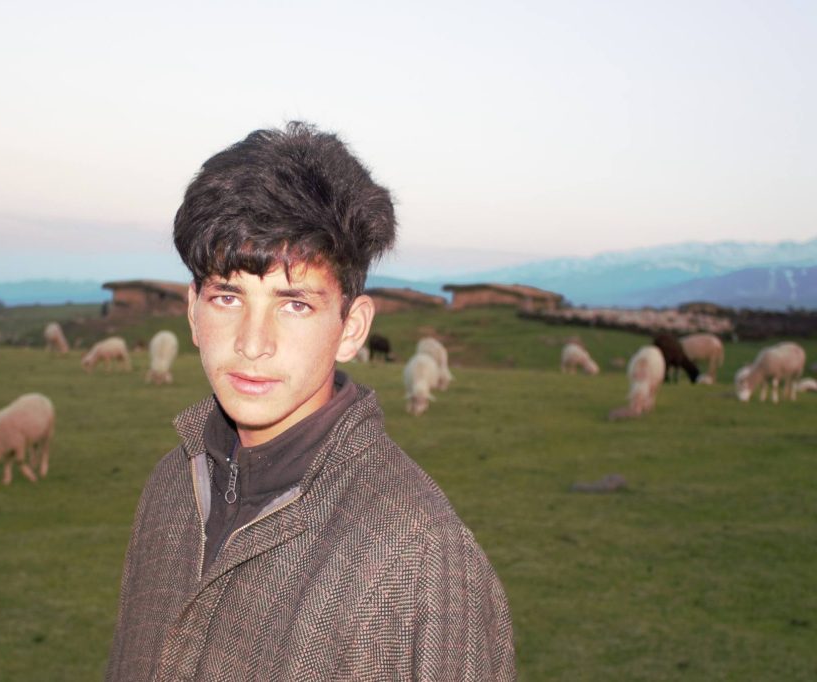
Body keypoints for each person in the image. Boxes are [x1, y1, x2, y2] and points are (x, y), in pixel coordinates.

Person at [106, 122, 515, 680]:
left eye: (294, 304)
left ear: (351, 327)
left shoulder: (421, 560)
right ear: (192, 314)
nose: (252, 342)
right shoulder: (171, 488)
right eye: (227, 297)